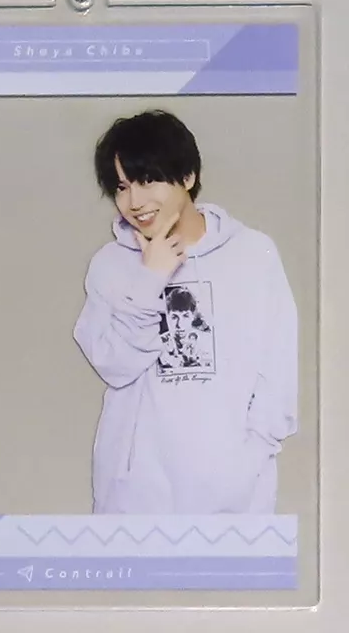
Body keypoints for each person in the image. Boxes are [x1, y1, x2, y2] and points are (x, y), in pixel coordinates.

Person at [73, 109, 298, 515]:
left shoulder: (252, 254)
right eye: (122, 187)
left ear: (189, 176)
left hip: (236, 498)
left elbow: (278, 370)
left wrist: (246, 463)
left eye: (147, 180)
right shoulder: (110, 265)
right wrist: (150, 279)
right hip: (134, 497)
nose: (134, 202)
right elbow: (114, 366)